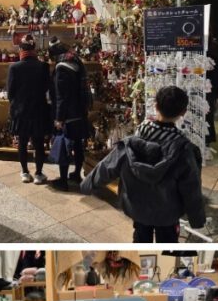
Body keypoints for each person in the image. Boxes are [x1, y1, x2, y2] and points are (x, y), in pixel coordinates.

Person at [80, 85, 205, 243]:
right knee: (167, 243)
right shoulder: (183, 150)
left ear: (155, 105)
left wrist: (87, 184)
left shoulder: (131, 143)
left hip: (137, 207)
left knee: (140, 239)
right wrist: (197, 218)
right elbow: (191, 188)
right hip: (167, 212)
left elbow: (107, 166)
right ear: (183, 112)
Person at [6, 36, 52, 185]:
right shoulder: (43, 66)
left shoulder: (14, 67)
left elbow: (10, 92)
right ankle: (38, 174)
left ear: (21, 50)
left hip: (20, 111)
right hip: (39, 109)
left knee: (22, 142)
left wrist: (15, 103)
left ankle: (25, 173)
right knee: (39, 143)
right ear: (34, 50)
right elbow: (47, 88)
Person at [49, 38, 92, 191]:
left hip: (68, 114)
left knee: (64, 145)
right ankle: (76, 174)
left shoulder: (62, 68)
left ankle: (63, 180)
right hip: (80, 111)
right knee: (78, 145)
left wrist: (59, 118)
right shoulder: (76, 63)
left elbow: (62, 96)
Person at [204, 38, 218, 145]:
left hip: (210, 86)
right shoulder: (215, 48)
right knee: (207, 113)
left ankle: (206, 141)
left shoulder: (214, 48)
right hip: (209, 86)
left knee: (207, 113)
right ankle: (207, 140)